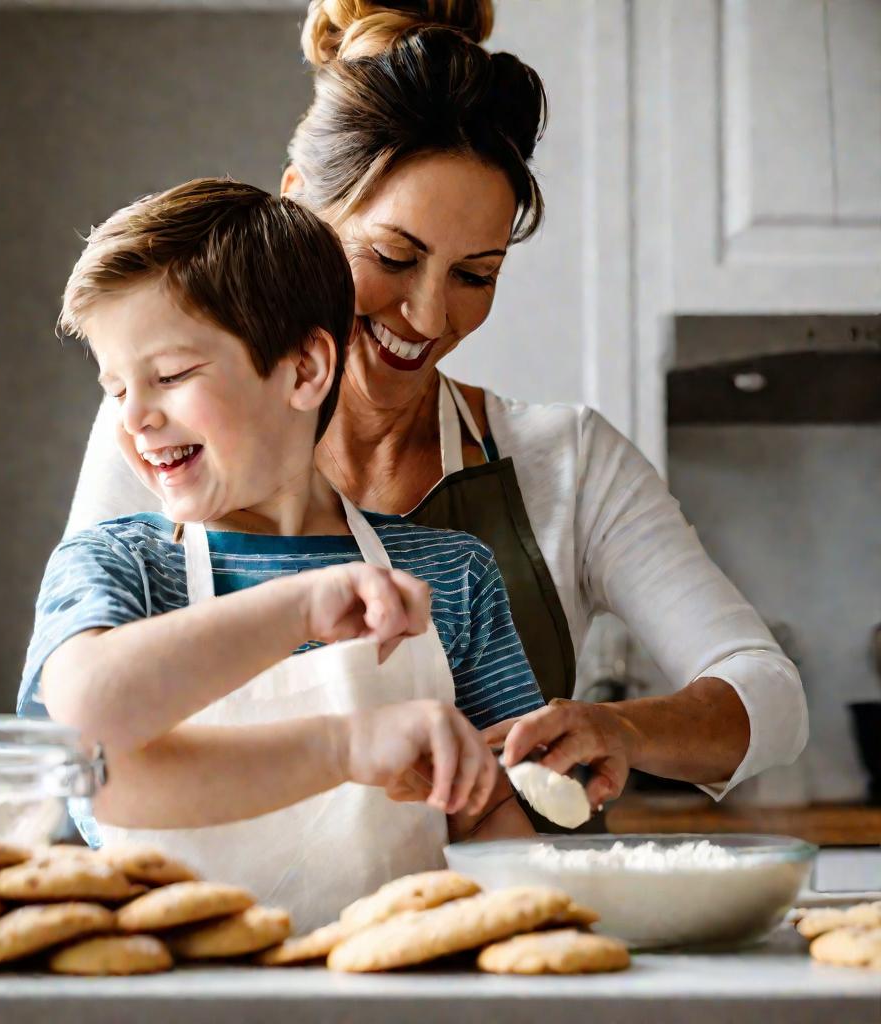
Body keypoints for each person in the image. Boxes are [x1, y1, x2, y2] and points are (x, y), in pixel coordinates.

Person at [66, 1, 808, 814]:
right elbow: (83, 741)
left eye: (474, 275)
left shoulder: (562, 466)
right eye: (392, 256)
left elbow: (769, 695)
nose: (427, 315)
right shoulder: (170, 440)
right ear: (300, 212)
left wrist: (621, 730)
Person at [17, 177, 543, 929]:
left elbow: (490, 814)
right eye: (115, 387)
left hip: (395, 997)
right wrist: (341, 730)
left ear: (304, 371)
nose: (134, 416)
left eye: (168, 375)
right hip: (169, 996)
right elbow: (93, 745)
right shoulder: (117, 568)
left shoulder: (448, 577)